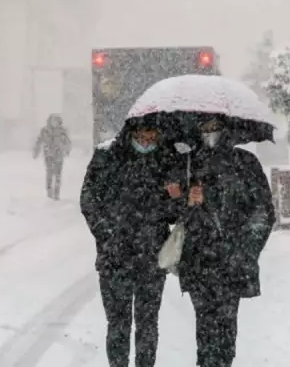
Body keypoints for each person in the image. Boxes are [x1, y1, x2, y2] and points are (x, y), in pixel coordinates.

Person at [174, 115, 276, 367]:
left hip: (232, 260)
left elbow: (263, 212)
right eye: (204, 128)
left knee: (226, 324)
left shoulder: (245, 163)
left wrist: (245, 249)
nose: (210, 133)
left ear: (225, 130)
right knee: (205, 323)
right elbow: (170, 211)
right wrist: (186, 201)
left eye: (215, 128)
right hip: (198, 258)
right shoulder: (188, 164)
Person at [80, 118, 180, 367]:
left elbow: (174, 213)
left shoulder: (166, 159)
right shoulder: (107, 156)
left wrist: (174, 195)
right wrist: (107, 234)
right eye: (143, 137)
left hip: (152, 256)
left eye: (153, 138)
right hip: (114, 257)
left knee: (148, 323)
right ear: (132, 132)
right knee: (118, 323)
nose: (148, 142)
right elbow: (89, 200)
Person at [33, 114, 71, 200]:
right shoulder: (45, 130)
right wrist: (36, 151)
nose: (54, 123)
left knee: (58, 175)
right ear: (49, 121)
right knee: (49, 173)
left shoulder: (62, 131)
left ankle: (56, 193)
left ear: (59, 122)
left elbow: (67, 142)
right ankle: (49, 192)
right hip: (49, 155)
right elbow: (39, 141)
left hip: (59, 155)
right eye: (53, 121)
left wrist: (67, 150)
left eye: (56, 121)